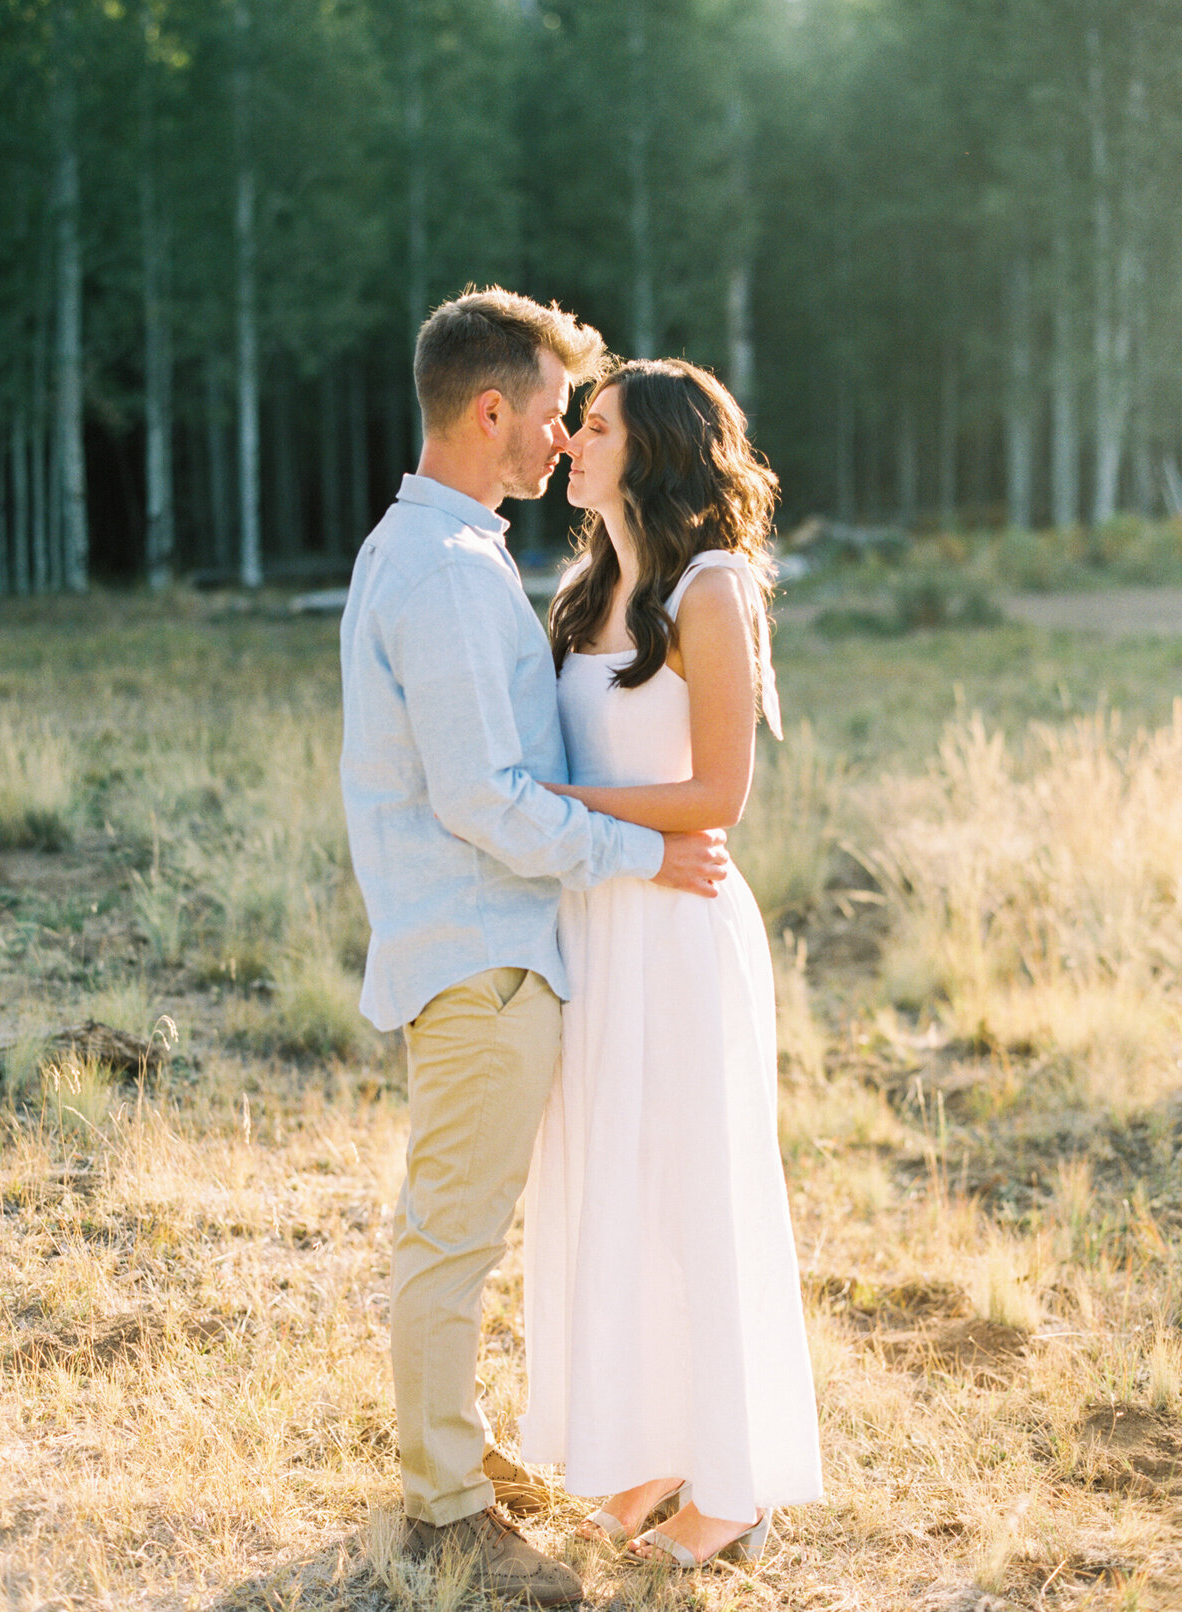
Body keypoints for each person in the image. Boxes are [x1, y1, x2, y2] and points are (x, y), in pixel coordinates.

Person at [338, 289, 728, 1607]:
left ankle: (464, 1457)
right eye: (556, 411)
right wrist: (646, 853)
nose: (564, 438)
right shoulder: (447, 574)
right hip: (484, 956)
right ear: (493, 410)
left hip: (492, 950)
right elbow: (485, 799)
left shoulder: (442, 553)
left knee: (455, 1229)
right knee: (450, 1239)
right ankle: (449, 1505)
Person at [520, 358, 824, 1569]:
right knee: (616, 1190)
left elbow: (718, 798)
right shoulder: (588, 584)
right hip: (599, 924)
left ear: (651, 450)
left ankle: (734, 1486)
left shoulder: (713, 586)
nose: (573, 441)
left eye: (594, 426)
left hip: (681, 924)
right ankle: (646, 1452)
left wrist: (547, 801)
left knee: (698, 1195)